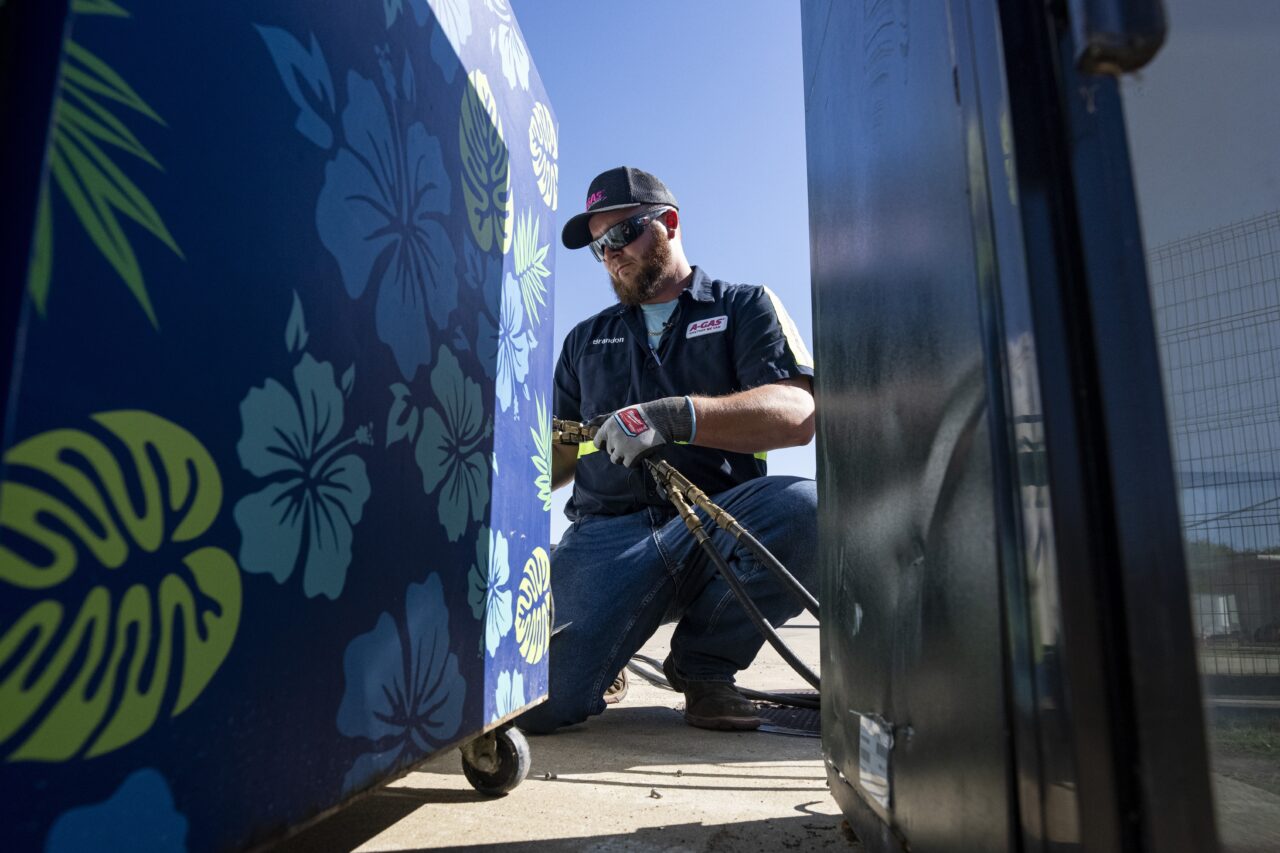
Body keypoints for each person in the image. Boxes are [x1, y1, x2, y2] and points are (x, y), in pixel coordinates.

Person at [517, 166, 818, 733]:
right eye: (598, 248)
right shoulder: (584, 341)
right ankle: (606, 649)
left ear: (669, 224)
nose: (610, 255)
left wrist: (675, 416)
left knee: (807, 511)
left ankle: (704, 668)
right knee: (534, 705)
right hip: (605, 538)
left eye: (621, 236)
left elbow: (797, 413)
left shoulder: (743, 307)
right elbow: (553, 459)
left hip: (716, 528)